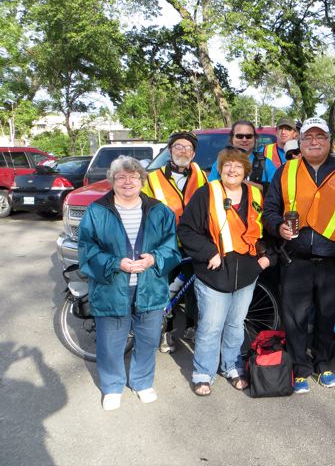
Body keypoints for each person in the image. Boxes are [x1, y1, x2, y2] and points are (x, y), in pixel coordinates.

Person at [263, 117, 335, 394]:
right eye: (308, 137)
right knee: (294, 317)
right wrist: (277, 226)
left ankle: (323, 362)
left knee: (328, 314)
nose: (314, 142)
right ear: (300, 142)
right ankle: (300, 367)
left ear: (330, 142)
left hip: (332, 259)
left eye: (320, 137)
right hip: (296, 258)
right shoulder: (285, 171)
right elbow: (270, 209)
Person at [78, 156, 181, 411]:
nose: (127, 182)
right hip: (112, 285)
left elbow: (172, 249)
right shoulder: (97, 211)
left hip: (149, 285)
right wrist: (115, 263)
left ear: (142, 181)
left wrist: (154, 259)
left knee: (147, 338)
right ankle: (112, 386)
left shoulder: (160, 210)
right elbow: (87, 249)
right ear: (112, 180)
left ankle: (142, 382)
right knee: (111, 341)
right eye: (121, 177)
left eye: (133, 176)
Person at [178, 148, 275, 396]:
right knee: (211, 326)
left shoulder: (256, 195)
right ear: (219, 169)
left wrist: (266, 260)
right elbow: (187, 230)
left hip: (247, 273)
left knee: (235, 324)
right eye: (227, 165)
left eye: (238, 166)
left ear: (246, 172)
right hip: (214, 273)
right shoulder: (206, 194)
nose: (232, 170)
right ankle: (203, 373)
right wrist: (208, 251)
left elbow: (268, 230)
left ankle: (232, 366)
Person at [142, 131, 208, 353]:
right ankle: (166, 332)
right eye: (179, 146)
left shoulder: (202, 176)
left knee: (193, 289)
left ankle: (191, 327)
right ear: (169, 150)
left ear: (194, 153)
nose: (183, 151)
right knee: (166, 290)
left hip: (193, 242)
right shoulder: (152, 178)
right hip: (165, 245)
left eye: (188, 148)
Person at [208, 120, 277, 189]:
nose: (244, 139)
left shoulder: (266, 163)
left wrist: (255, 187)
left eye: (249, 136)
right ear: (232, 138)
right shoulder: (220, 162)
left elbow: (276, 191)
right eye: (239, 136)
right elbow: (211, 189)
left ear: (255, 139)